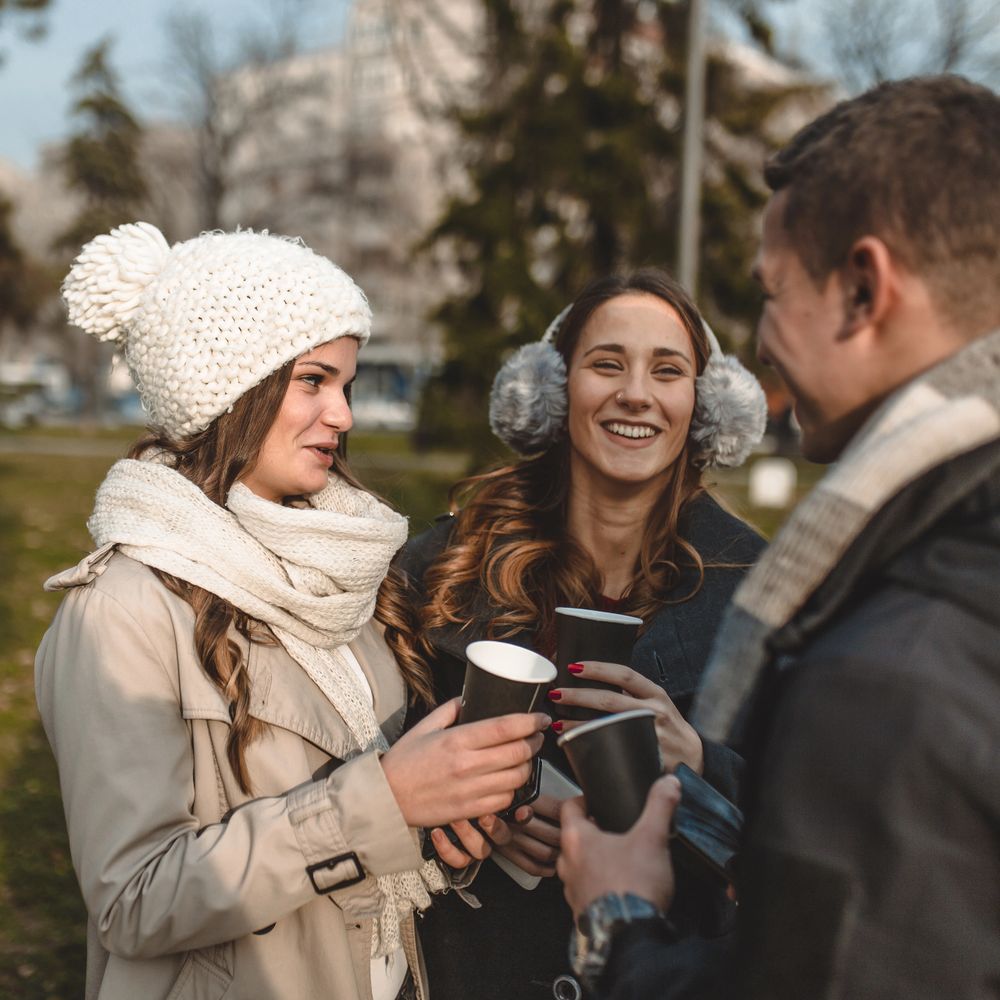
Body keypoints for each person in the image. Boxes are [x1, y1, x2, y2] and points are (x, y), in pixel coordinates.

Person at [557, 74, 1000, 1000]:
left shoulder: (892, 669)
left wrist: (619, 920)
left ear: (863, 289)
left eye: (771, 292)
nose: (757, 344)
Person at [34, 222, 551, 1000]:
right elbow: (133, 901)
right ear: (229, 390)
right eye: (313, 381)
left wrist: (448, 819)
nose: (342, 415)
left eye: (345, 383)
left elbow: (373, 823)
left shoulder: (342, 570)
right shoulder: (123, 610)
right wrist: (384, 801)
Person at [396, 268, 769, 999]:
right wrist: (472, 820)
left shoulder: (764, 595)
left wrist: (697, 761)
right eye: (607, 364)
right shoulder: (439, 569)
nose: (636, 393)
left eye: (668, 370)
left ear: (704, 408)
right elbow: (373, 777)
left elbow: (815, 836)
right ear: (550, 393)